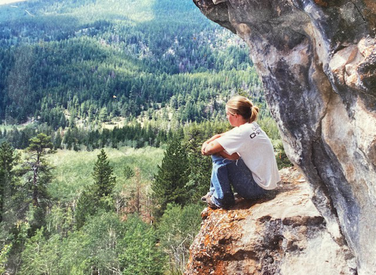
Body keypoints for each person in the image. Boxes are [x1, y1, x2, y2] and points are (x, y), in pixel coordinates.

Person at [201, 95, 280, 209]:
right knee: (222, 152)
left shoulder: (242, 132)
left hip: (258, 190)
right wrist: (213, 141)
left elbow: (209, 149)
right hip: (268, 185)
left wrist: (209, 147)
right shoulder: (251, 126)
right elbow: (221, 138)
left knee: (217, 156)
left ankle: (221, 199)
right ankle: (214, 194)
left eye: (227, 114)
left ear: (235, 115)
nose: (227, 117)